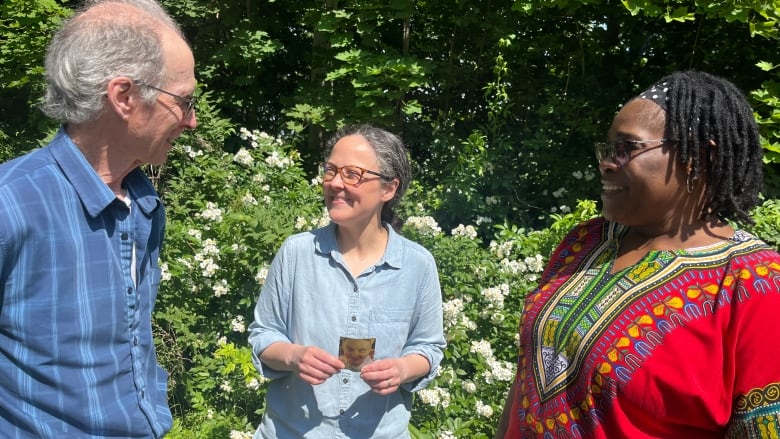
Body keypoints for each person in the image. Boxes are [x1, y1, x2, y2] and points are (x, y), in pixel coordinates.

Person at [495, 70, 780, 438]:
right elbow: (526, 378)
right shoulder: (584, 243)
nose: (607, 162)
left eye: (627, 148)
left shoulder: (754, 284)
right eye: (608, 149)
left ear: (700, 158)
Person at [0, 0, 197, 436]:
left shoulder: (143, 202)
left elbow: (134, 348)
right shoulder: (9, 206)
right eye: (184, 101)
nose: (193, 121)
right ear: (124, 97)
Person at [248, 124, 446, 438]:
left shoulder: (417, 265)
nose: (336, 183)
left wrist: (402, 369)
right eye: (331, 171)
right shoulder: (296, 253)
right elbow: (263, 335)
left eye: (352, 174)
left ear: (388, 189)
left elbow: (428, 347)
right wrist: (293, 356)